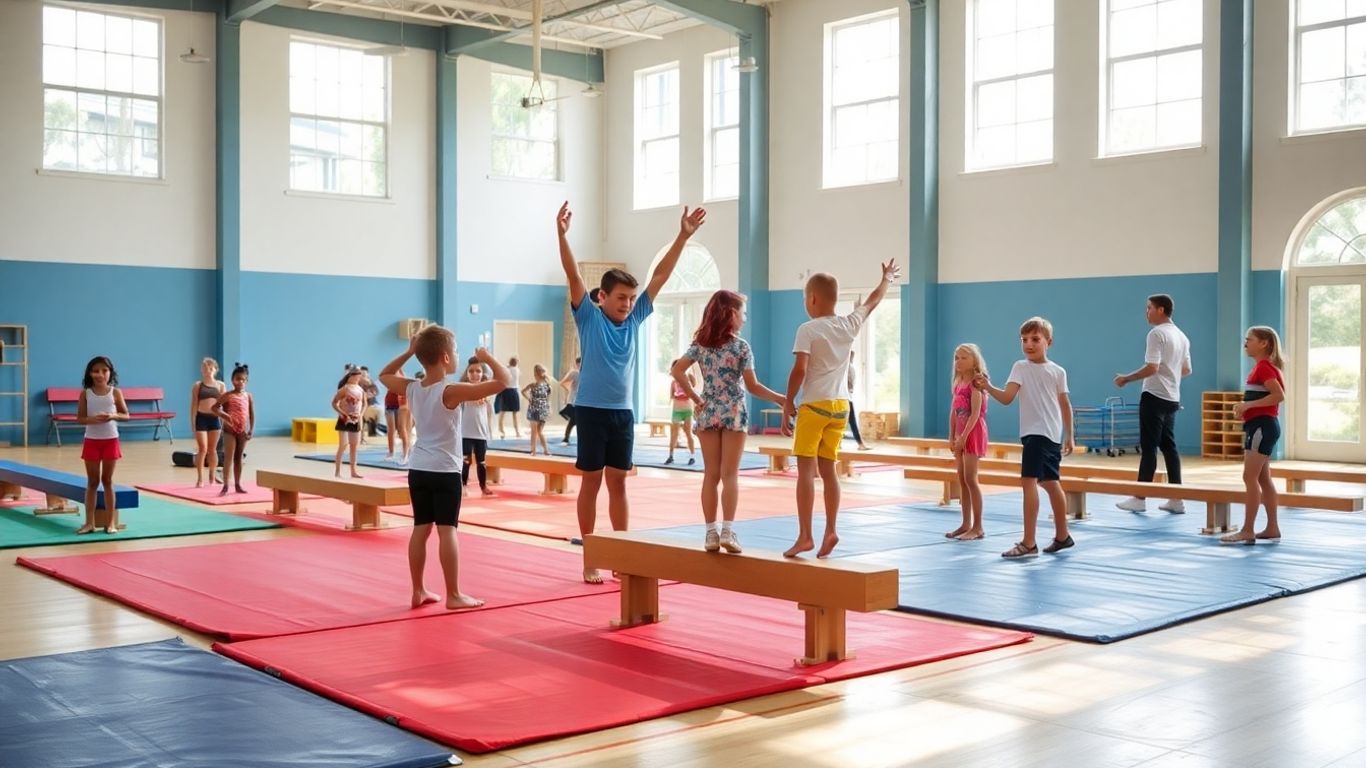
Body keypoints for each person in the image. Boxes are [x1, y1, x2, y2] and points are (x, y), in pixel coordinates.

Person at [557, 200, 706, 583]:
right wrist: (562, 236)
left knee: (619, 482)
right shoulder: (588, 317)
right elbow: (573, 275)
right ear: (601, 297)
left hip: (622, 413)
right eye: (620, 297)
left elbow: (661, 276)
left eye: (629, 298)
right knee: (591, 481)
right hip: (590, 410)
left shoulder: (635, 318)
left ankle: (622, 555)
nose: (626, 304)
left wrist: (682, 237)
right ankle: (590, 557)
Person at [380, 329, 510, 610]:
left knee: (420, 528)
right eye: (458, 354)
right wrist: (486, 357)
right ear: (446, 357)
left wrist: (409, 351)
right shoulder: (450, 391)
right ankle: (453, 594)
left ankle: (418, 590)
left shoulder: (412, 388)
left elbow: (384, 375)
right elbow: (503, 381)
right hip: (445, 470)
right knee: (447, 530)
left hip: (419, 468)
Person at [780, 260, 901, 559]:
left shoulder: (807, 329)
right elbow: (872, 301)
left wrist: (787, 402)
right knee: (829, 471)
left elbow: (799, 369)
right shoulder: (849, 323)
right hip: (840, 407)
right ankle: (831, 529)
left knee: (805, 473)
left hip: (815, 405)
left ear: (812, 299)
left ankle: (805, 535)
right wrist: (886, 278)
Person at [671, 290, 785, 553]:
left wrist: (696, 398)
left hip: (709, 408)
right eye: (743, 313)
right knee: (730, 474)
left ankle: (710, 533)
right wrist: (780, 398)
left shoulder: (701, 344)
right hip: (733, 410)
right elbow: (753, 386)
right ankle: (728, 531)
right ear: (732, 314)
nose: (745, 318)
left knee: (710, 474)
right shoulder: (741, 347)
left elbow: (677, 370)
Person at [976, 317, 1076, 559]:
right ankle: (1063, 536)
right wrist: (988, 387)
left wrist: (1070, 435)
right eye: (1024, 340)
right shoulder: (1021, 367)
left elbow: (1065, 404)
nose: (1028, 344)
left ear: (1048, 342)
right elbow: (1008, 397)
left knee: (1029, 482)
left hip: (1039, 435)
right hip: (1045, 436)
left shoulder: (1056, 371)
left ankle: (1029, 542)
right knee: (1051, 483)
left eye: (1035, 340)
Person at [1113, 294, 1192, 513]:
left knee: (1149, 447)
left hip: (1154, 396)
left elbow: (1152, 367)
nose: (1146, 312)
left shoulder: (1156, 333)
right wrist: (1171, 380)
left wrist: (1126, 378)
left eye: (1149, 308)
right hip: (1172, 398)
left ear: (1161, 309)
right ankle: (1177, 499)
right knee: (1169, 447)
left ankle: (1139, 497)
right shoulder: (1182, 336)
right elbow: (1186, 370)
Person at [1222, 327, 1287, 545]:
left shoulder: (1264, 367)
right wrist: (1246, 409)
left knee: (1249, 477)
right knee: (1262, 478)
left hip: (1262, 427)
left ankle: (1247, 530)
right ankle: (1272, 527)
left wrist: (1248, 405)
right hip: (1260, 426)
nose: (1245, 343)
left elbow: (1278, 396)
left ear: (1264, 343)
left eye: (1249, 340)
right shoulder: (1261, 368)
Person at [76, 356, 128, 535]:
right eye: (96, 371)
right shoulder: (86, 394)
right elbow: (80, 418)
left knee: (107, 481)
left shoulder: (115, 393)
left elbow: (126, 415)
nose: (100, 374)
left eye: (104, 371)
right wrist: (93, 419)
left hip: (110, 440)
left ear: (110, 373)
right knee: (92, 482)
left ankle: (110, 522)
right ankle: (89, 522)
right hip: (91, 440)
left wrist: (113, 416)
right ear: (90, 373)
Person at [947, 344, 989, 541]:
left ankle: (978, 526)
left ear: (974, 361)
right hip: (959, 434)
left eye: (963, 358)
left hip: (972, 433)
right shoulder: (957, 383)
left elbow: (975, 414)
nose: (958, 361)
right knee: (962, 479)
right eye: (956, 358)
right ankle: (965, 523)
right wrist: (952, 435)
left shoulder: (976, 383)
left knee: (971, 479)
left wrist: (964, 437)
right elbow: (954, 412)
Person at [213, 364, 254, 496]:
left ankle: (238, 484)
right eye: (237, 379)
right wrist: (225, 416)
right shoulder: (227, 395)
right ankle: (225, 485)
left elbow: (251, 413)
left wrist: (251, 430)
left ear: (246, 381)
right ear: (232, 380)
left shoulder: (248, 396)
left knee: (238, 458)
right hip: (229, 431)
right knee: (228, 458)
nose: (240, 382)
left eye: (243, 379)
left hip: (242, 431)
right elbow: (214, 408)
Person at [459, 359, 496, 497]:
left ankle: (483, 486)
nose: (475, 374)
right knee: (466, 460)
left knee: (481, 461)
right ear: (467, 373)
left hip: (480, 432)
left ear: (482, 373)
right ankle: (463, 485)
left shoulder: (486, 389)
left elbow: (488, 401)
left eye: (478, 371)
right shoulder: (463, 388)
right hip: (466, 432)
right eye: (471, 371)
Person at [190, 357, 225, 488]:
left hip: (214, 419)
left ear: (215, 370)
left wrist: (224, 419)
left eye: (211, 368)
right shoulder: (198, 386)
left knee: (213, 449)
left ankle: (212, 474)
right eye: (205, 368)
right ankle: (200, 478)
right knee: (202, 449)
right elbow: (193, 405)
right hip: (201, 418)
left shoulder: (220, 385)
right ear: (201, 370)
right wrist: (193, 422)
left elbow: (224, 403)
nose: (208, 370)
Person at [333, 367, 366, 478]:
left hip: (355, 420)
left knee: (354, 446)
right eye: (356, 375)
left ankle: (353, 470)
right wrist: (343, 413)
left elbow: (364, 403)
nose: (358, 378)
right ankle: (337, 471)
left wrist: (361, 415)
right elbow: (334, 403)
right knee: (343, 445)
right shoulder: (345, 389)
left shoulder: (360, 389)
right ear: (351, 376)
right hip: (344, 419)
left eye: (359, 376)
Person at [666, 361, 697, 465]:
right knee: (674, 433)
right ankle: (671, 455)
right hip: (677, 410)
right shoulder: (673, 383)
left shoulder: (689, 378)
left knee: (688, 432)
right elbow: (671, 396)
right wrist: (676, 396)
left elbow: (693, 391)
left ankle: (692, 456)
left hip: (687, 410)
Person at [522, 363, 554, 456]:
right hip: (541, 409)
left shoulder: (535, 385)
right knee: (538, 431)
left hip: (537, 409)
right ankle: (543, 450)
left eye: (535, 374)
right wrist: (548, 408)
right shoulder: (547, 386)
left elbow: (523, 391)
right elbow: (547, 399)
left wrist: (529, 398)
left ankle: (535, 450)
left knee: (535, 431)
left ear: (536, 375)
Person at [383, 372, 412, 464]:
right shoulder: (391, 378)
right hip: (390, 405)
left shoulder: (401, 381)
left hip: (402, 406)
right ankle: (392, 452)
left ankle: (406, 454)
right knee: (391, 430)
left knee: (403, 430)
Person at [846, 351, 871, 450]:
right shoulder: (849, 367)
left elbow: (849, 384)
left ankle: (860, 443)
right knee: (851, 421)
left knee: (851, 421)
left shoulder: (848, 368)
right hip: (846, 397)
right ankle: (860, 443)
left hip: (846, 396)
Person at [495, 356, 522, 439]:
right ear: (516, 363)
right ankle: (517, 432)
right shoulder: (517, 370)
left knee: (502, 412)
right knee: (515, 413)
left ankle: (501, 431)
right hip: (514, 391)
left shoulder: (507, 369)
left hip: (506, 391)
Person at [559, 357, 581, 445]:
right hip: (573, 401)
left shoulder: (585, 372)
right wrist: (569, 390)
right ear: (577, 364)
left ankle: (566, 437)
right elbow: (563, 382)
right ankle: (566, 437)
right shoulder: (574, 373)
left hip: (580, 401)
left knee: (574, 420)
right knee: (574, 420)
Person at [359, 366, 381, 440]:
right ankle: (361, 438)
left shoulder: (370, 382)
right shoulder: (357, 382)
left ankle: (371, 435)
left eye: (365, 373)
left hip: (369, 406)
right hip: (360, 406)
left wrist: (368, 392)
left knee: (371, 423)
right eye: (361, 374)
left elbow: (375, 392)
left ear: (368, 374)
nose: (363, 375)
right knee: (360, 422)